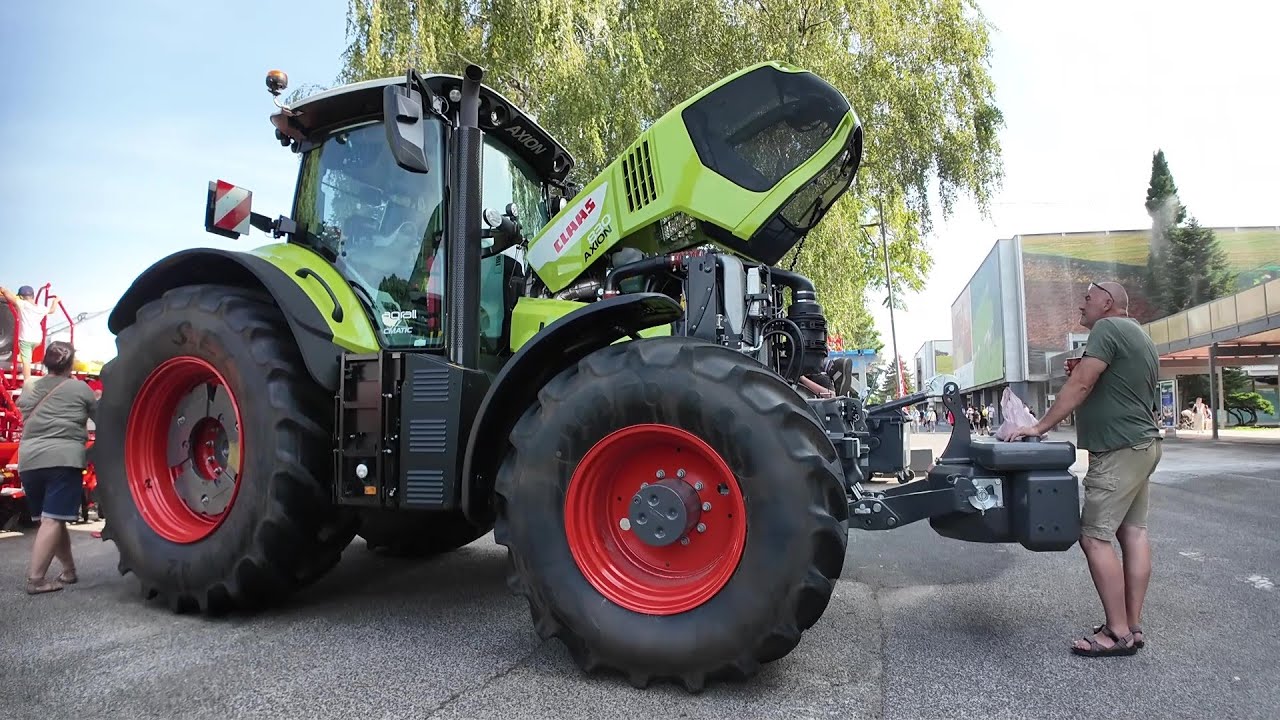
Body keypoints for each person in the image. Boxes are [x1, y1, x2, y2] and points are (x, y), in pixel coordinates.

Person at [1006, 281, 1161, 657]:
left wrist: (1038, 426)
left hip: (1119, 448)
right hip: (1144, 445)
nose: (1081, 305)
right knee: (1133, 533)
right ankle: (1132, 626)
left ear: (1108, 303)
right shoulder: (1138, 334)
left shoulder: (1108, 329)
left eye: (1088, 299)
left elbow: (1082, 384)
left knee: (1093, 537)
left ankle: (1116, 632)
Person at [15, 341, 98, 594]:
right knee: (52, 520)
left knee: (53, 519)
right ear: (70, 363)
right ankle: (37, 580)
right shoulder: (80, 388)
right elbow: (102, 417)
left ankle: (69, 571)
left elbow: (23, 409)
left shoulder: (30, 386)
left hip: (29, 461)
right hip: (63, 459)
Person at [0, 284, 60, 387]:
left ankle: (27, 382)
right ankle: (20, 357)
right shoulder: (41, 308)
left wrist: (3, 289)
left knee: (26, 362)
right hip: (37, 339)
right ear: (33, 296)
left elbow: (9, 296)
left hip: (26, 339)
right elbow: (52, 310)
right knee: (25, 355)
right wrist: (55, 301)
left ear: (21, 297)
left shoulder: (23, 304)